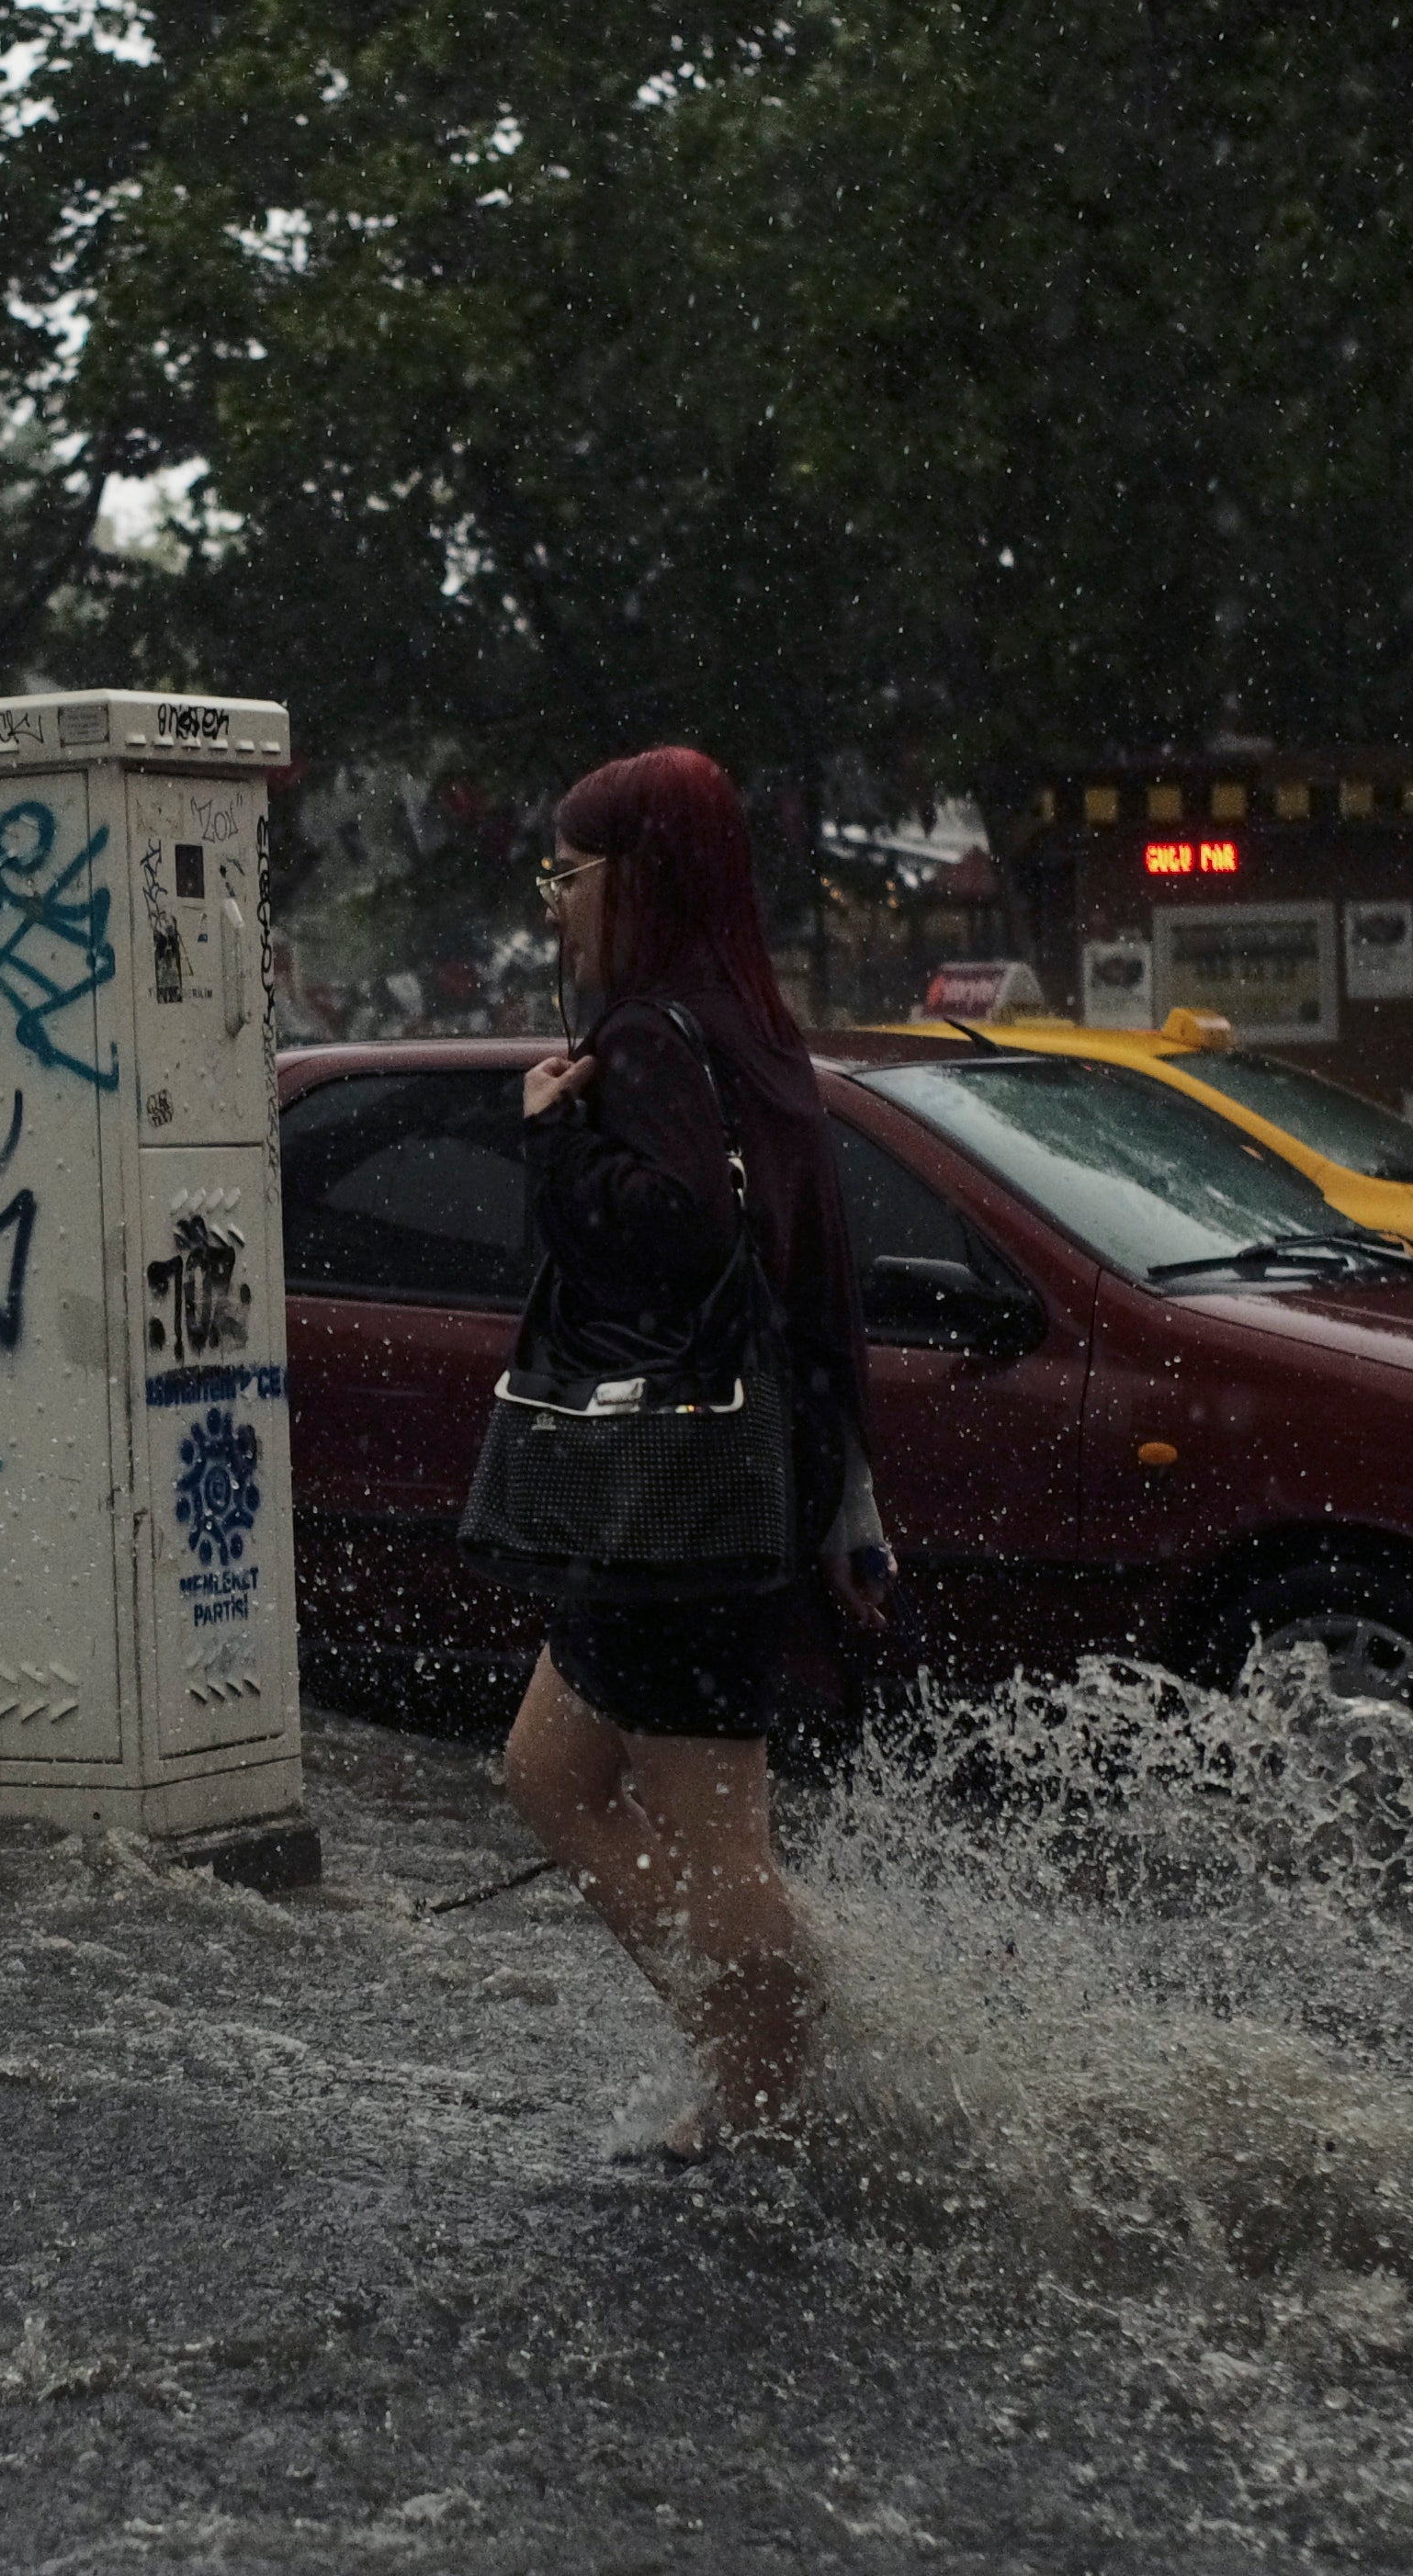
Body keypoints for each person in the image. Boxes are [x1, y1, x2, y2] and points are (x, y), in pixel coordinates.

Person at [478, 745, 887, 2158]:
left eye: (569, 874)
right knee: (548, 1769)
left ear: (636, 876)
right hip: (719, 1486)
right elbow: (801, 1274)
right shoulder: (746, 1033)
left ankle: (780, 2084)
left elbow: (668, 1241)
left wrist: (552, 1140)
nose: (555, 906)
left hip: (678, 1498)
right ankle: (772, 2045)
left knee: (713, 1831)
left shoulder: (652, 1035)